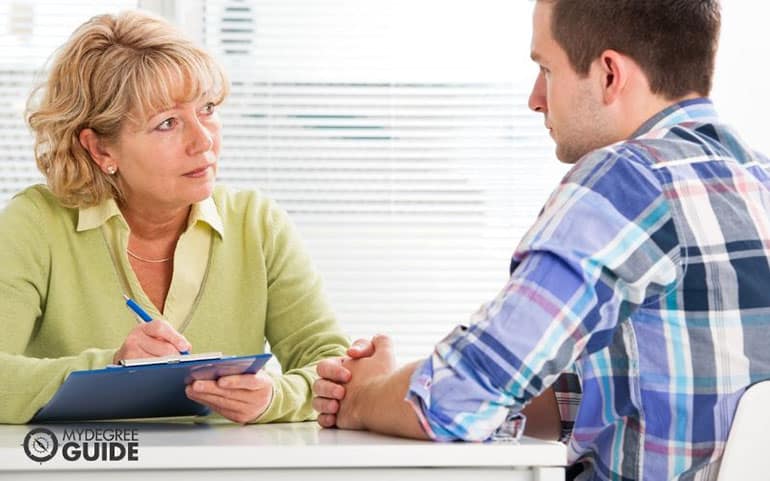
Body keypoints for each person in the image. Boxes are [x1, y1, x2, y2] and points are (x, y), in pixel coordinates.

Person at [312, 0, 770, 479]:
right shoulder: (755, 178)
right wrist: (395, 388)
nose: (535, 98)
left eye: (546, 69)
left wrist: (364, 397)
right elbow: (625, 391)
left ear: (609, 74)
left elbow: (455, 399)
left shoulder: (626, 183)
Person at [0, 10, 349, 425]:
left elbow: (333, 370)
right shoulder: (36, 224)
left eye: (207, 108)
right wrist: (111, 368)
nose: (203, 140)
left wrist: (275, 397)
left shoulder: (258, 224)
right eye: (167, 123)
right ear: (100, 150)